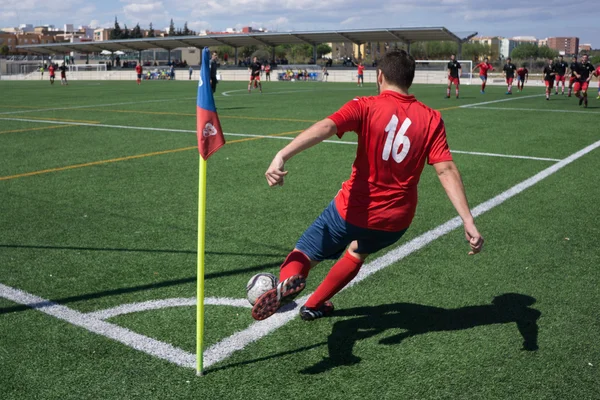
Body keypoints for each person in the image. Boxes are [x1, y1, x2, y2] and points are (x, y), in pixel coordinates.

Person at [252, 50, 484, 322]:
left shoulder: (366, 105)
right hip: (395, 222)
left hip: (352, 209)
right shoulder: (431, 118)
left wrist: (282, 154)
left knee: (304, 251)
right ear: (411, 80)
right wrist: (468, 220)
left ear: (380, 75)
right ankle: (315, 304)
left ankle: (288, 280)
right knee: (357, 252)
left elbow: (327, 126)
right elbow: (445, 169)